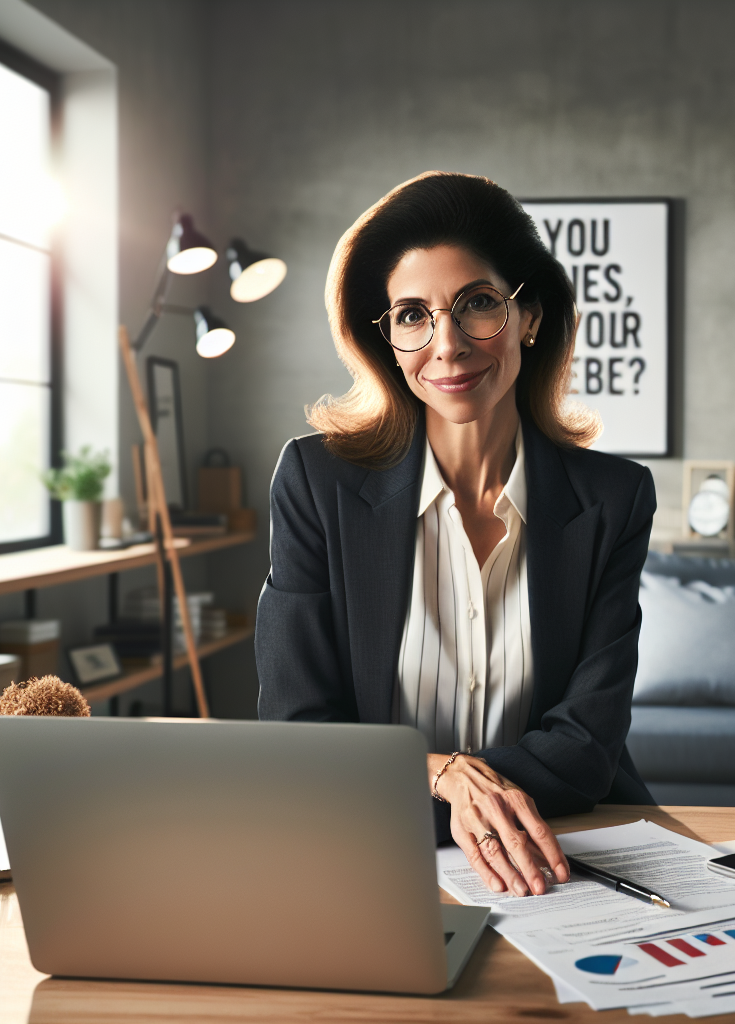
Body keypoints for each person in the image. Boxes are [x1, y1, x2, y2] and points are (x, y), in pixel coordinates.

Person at [256, 171, 655, 899]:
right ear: (387, 339)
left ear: (529, 314)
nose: (448, 345)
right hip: (374, 858)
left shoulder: (615, 499)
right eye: (412, 314)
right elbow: (300, 733)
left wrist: (413, 780)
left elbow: (586, 751)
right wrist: (441, 773)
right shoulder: (315, 483)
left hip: (566, 855)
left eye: (477, 305)